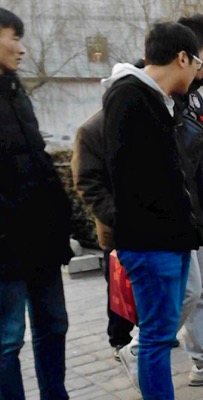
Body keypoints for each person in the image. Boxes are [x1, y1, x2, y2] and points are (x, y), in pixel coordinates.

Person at [118, 14, 203, 390]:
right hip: (167, 224)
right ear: (185, 55)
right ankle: (141, 346)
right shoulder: (145, 96)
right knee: (183, 296)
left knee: (202, 291)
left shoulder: (192, 98)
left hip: (194, 213)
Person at [102, 21, 203, 400]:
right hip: (151, 242)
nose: (198, 73)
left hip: (171, 238)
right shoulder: (128, 96)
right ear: (182, 58)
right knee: (157, 339)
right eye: (197, 63)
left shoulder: (157, 99)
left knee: (161, 336)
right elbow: (131, 178)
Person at [0, 8, 74, 399]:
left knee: (54, 326)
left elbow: (39, 160)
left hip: (41, 241)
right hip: (5, 248)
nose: (21, 48)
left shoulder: (15, 92)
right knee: (7, 341)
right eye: (13, 37)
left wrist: (62, 217)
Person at [71, 111, 135, 362]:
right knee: (119, 287)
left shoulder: (145, 118)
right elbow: (87, 181)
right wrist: (116, 217)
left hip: (152, 226)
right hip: (117, 229)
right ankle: (120, 339)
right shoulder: (94, 128)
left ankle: (148, 336)